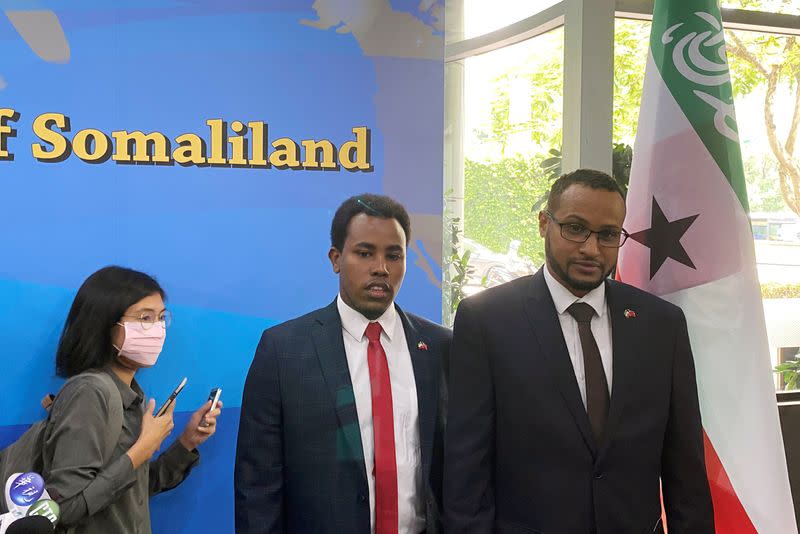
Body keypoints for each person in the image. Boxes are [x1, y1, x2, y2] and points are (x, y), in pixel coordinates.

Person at [443, 170, 714, 534]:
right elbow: (467, 468)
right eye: (574, 228)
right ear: (544, 224)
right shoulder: (487, 321)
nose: (591, 248)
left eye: (607, 235)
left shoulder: (661, 324)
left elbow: (686, 469)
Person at [235, 194, 451, 534]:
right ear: (336, 258)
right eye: (365, 253)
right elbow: (257, 484)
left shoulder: (440, 346)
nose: (381, 267)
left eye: (394, 255)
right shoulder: (283, 349)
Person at [43, 266, 222, 534]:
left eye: (161, 318)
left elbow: (134, 489)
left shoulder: (129, 394)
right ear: (105, 324)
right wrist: (142, 449)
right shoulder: (89, 393)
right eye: (144, 318)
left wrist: (187, 442)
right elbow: (63, 508)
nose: (157, 330)